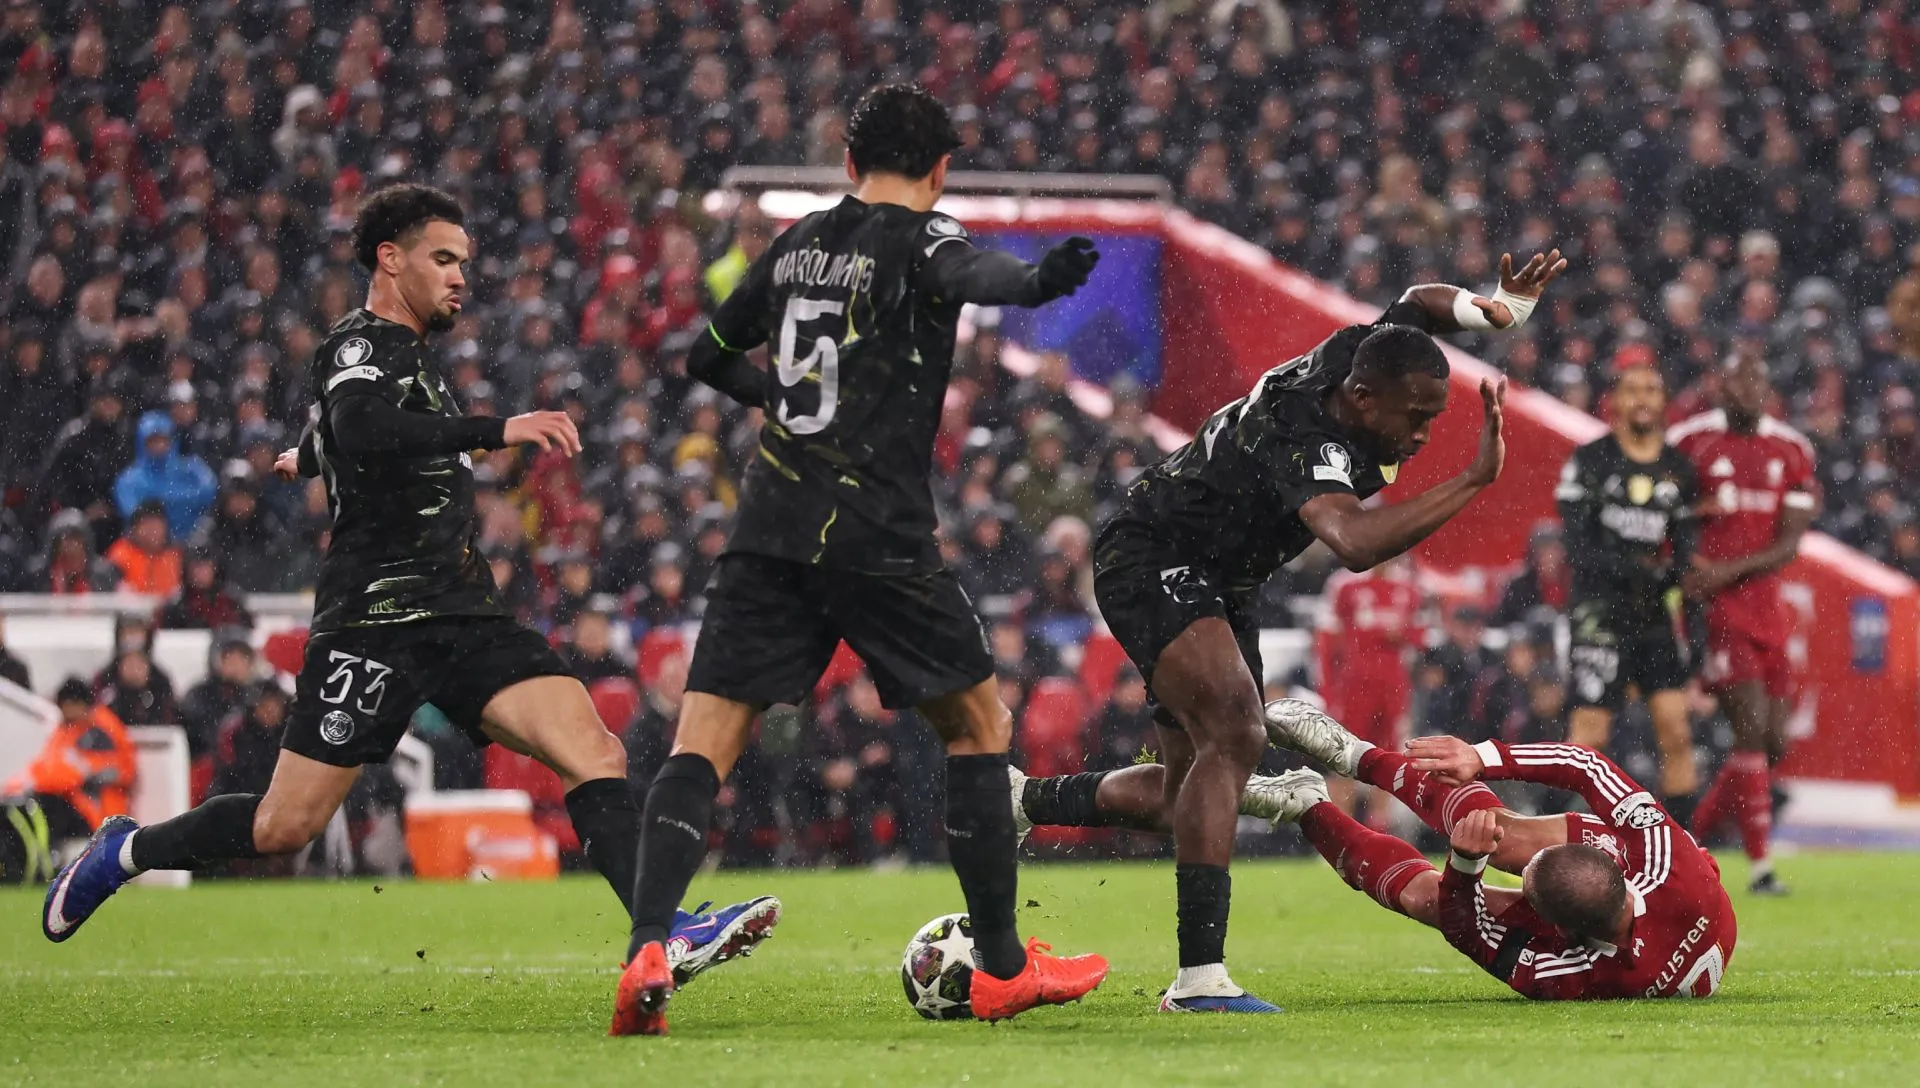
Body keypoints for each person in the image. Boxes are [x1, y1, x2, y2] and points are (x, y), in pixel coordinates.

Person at [41, 185, 779, 1000]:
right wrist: (494, 429)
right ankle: (127, 850)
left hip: (462, 612)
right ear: (389, 260)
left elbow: (348, 434)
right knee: (284, 825)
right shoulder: (364, 343)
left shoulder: (410, 359)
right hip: (375, 623)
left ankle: (661, 933)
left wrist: (310, 457)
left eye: (464, 261)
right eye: (442, 259)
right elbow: (360, 422)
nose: (460, 277)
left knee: (593, 750)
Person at [614, 83, 1108, 1035]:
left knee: (702, 741)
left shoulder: (797, 244)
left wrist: (786, 402)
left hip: (769, 530)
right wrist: (1039, 283)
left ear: (847, 164)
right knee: (977, 724)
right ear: (940, 169)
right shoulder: (923, 236)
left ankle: (646, 944)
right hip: (875, 533)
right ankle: (1004, 966)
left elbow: (706, 357)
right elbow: (972, 272)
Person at [1080, 252, 1563, 1010]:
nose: (1423, 435)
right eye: (1415, 418)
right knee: (1236, 736)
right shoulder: (1302, 437)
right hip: (1154, 552)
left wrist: (1492, 310)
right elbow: (1355, 544)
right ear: (1364, 401)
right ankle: (1199, 980)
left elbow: (1415, 301)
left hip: (1223, 577)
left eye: (1434, 418)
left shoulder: (1358, 359)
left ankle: (1022, 800)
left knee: (1185, 794)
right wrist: (1471, 479)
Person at [1257, 701, 1736, 999]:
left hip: (1627, 938)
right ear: (1610, 860)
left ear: (1557, 929)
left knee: (1429, 901)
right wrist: (1480, 757)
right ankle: (1356, 755)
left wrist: (1465, 867)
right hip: (1677, 894)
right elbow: (1585, 763)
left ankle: (1306, 805)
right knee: (1506, 837)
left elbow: (1470, 934)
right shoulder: (1668, 857)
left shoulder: (1582, 976)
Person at [1667, 350, 1818, 894]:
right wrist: (1685, 570)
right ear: (1719, 386)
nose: (1746, 388)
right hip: (1718, 613)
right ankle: (1761, 869)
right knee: (1751, 732)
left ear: (1768, 387)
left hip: (1767, 608)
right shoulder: (1689, 442)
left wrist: (1724, 569)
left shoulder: (1793, 448)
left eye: (1756, 378)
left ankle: (1686, 840)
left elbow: (1790, 544)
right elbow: (1667, 515)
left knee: (1772, 743)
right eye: (1736, 379)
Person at [1557, 360, 1702, 824]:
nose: (1642, 399)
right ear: (1615, 401)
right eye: (1632, 390)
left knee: (1675, 730)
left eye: (1652, 390)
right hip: (1599, 615)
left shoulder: (1680, 470)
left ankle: (1685, 852)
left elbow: (1686, 554)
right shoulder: (1591, 461)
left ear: (1663, 402)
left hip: (1655, 616)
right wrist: (1635, 568)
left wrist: (1669, 582)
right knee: (1589, 733)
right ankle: (1572, 843)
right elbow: (1577, 546)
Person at [1315, 552, 1424, 827]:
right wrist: (1328, 692)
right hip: (1353, 687)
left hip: (1392, 688)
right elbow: (1326, 642)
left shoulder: (1408, 586)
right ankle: (1341, 832)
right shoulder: (1343, 585)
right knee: (1344, 760)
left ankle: (1379, 833)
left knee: (1386, 760)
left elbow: (1421, 636)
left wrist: (1401, 634)